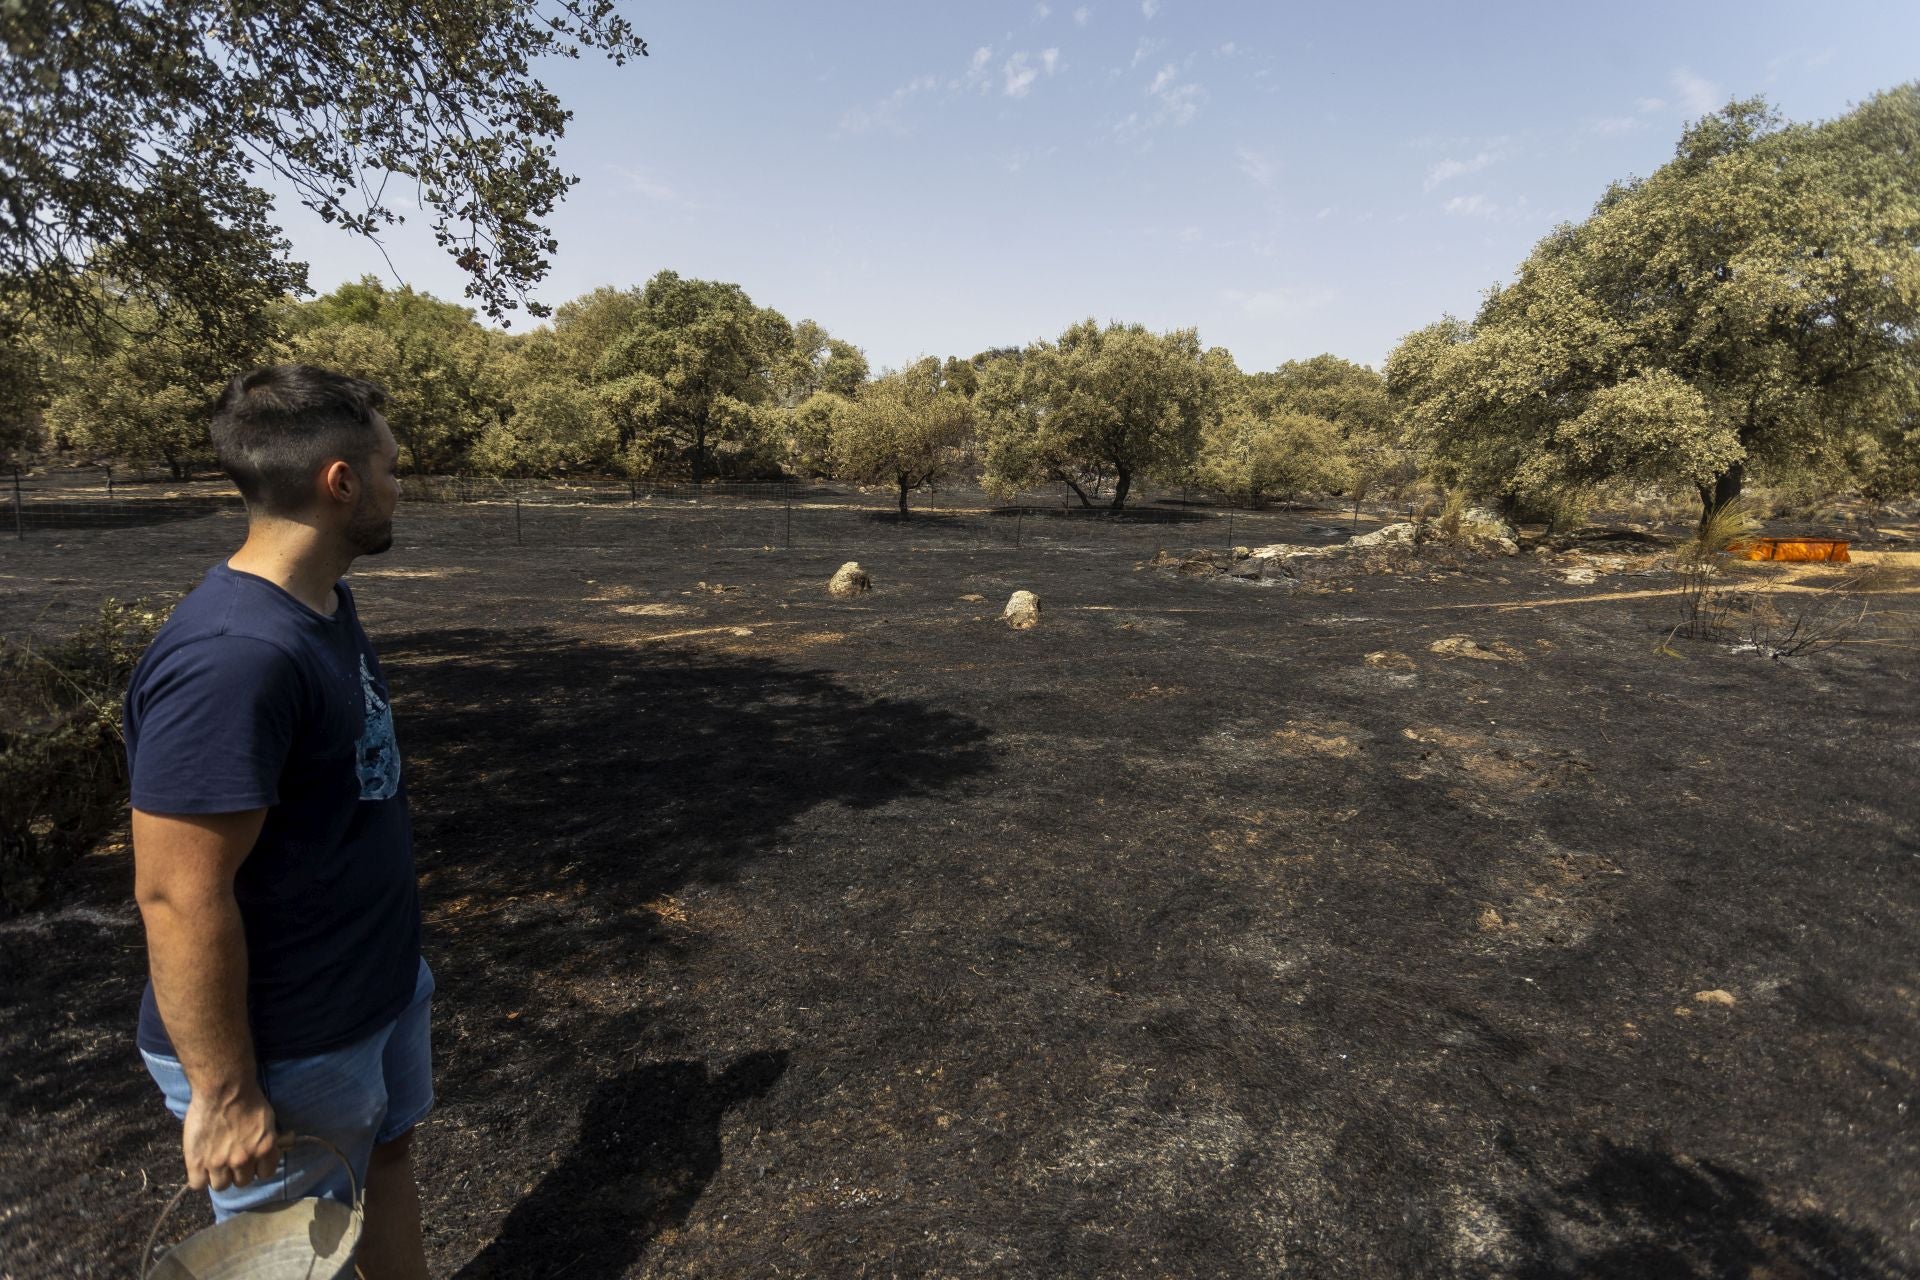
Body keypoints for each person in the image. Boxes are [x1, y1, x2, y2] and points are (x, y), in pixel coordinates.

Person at [126, 364, 429, 1279]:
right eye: (389, 466)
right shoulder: (234, 658)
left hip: (374, 992)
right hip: (290, 1043)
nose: (399, 484)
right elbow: (178, 892)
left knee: (384, 1162)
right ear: (341, 483)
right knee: (287, 1255)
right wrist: (223, 1092)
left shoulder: (321, 605)